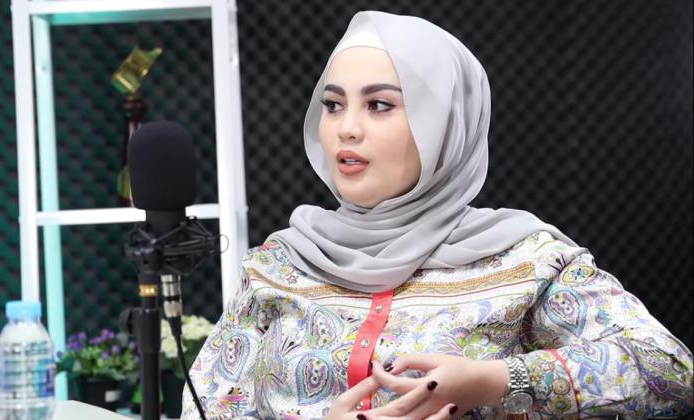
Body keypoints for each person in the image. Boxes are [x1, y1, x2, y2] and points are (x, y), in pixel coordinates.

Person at [182, 10, 693, 419]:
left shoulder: (526, 260)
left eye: (379, 105)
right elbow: (205, 408)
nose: (346, 128)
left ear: (444, 122)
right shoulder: (278, 265)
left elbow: (669, 370)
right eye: (333, 105)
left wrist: (495, 382)